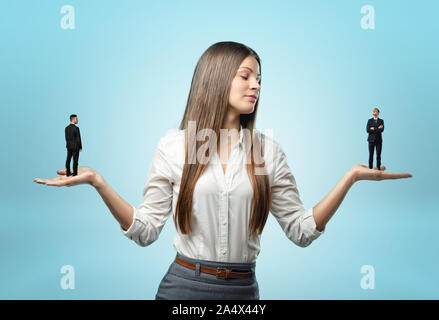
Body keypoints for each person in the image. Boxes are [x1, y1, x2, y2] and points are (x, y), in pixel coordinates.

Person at [33, 41, 412, 300]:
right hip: (183, 289)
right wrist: (98, 181)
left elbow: (301, 231)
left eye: (259, 78)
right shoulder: (174, 146)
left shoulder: (267, 151)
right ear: (216, 77)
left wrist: (351, 177)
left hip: (244, 292)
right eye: (246, 75)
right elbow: (146, 231)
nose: (256, 85)